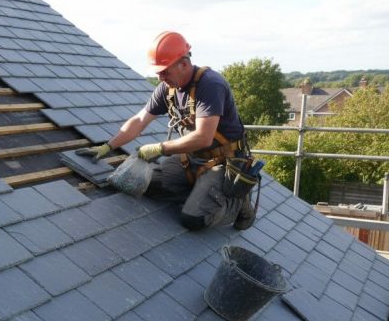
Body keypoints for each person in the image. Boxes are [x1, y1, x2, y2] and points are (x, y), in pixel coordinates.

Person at [77, 31, 256, 231]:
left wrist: (160, 148)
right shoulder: (167, 88)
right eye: (158, 73)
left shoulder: (210, 85)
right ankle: (201, 192)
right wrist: (108, 146)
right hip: (192, 158)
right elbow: (139, 120)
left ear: (184, 64)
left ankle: (239, 202)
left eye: (165, 72)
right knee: (143, 184)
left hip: (224, 162)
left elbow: (204, 137)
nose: (161, 78)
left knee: (193, 219)